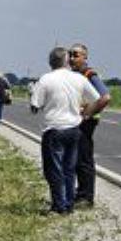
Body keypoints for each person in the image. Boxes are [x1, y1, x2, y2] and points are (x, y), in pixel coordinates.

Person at [30, 47, 103, 214]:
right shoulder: (78, 78)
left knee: (54, 170)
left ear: (50, 62)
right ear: (66, 61)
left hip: (54, 130)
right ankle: (69, 204)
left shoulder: (45, 79)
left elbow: (35, 105)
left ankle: (59, 206)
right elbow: (97, 99)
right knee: (69, 169)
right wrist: (86, 113)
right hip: (74, 130)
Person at [68, 43, 111, 208]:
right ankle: (81, 192)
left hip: (86, 123)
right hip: (76, 121)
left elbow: (105, 97)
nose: (72, 58)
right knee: (76, 159)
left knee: (84, 159)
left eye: (76, 55)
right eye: (70, 55)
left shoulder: (89, 74)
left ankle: (87, 197)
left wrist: (88, 113)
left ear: (85, 57)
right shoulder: (73, 75)